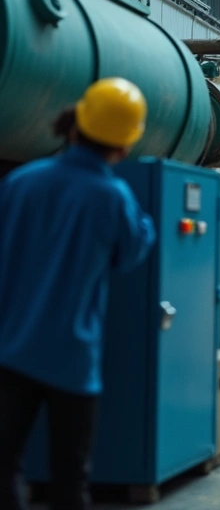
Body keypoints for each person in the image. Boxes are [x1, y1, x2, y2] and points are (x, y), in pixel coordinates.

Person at [0, 78, 157, 510]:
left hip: (10, 349)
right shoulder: (112, 196)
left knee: (5, 465)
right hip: (71, 358)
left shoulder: (20, 181)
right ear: (124, 146)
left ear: (75, 126)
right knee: (70, 478)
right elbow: (132, 252)